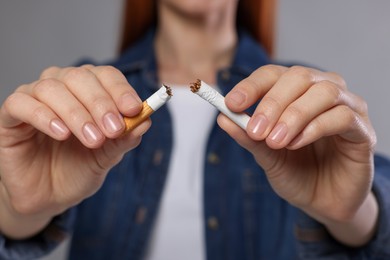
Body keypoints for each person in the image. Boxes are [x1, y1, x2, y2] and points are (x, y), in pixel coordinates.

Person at [0, 0, 389, 259]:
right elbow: (20, 217)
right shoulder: (85, 96)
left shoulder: (301, 97)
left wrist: (354, 214)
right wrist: (16, 211)